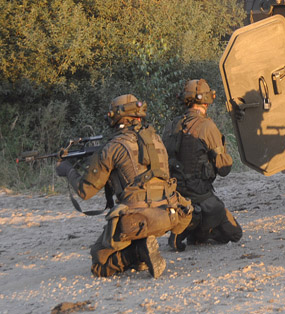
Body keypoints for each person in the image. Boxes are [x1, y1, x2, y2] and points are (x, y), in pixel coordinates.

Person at [56, 94, 193, 278]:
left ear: (118, 116)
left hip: (136, 219)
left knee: (100, 264)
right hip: (168, 215)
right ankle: (143, 254)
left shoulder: (113, 147)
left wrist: (67, 170)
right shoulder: (156, 139)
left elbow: (86, 191)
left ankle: (137, 252)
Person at [163, 78, 242, 251]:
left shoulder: (170, 126)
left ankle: (188, 222)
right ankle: (191, 225)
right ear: (207, 101)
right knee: (235, 234)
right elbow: (224, 169)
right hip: (198, 193)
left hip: (174, 194)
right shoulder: (207, 126)